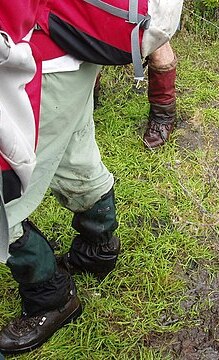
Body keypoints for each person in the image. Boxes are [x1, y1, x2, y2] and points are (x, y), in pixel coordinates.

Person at [0, 15, 120, 356]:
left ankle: (51, 300)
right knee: (74, 152)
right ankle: (98, 250)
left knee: (3, 207)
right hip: (75, 44)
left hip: (28, 59)